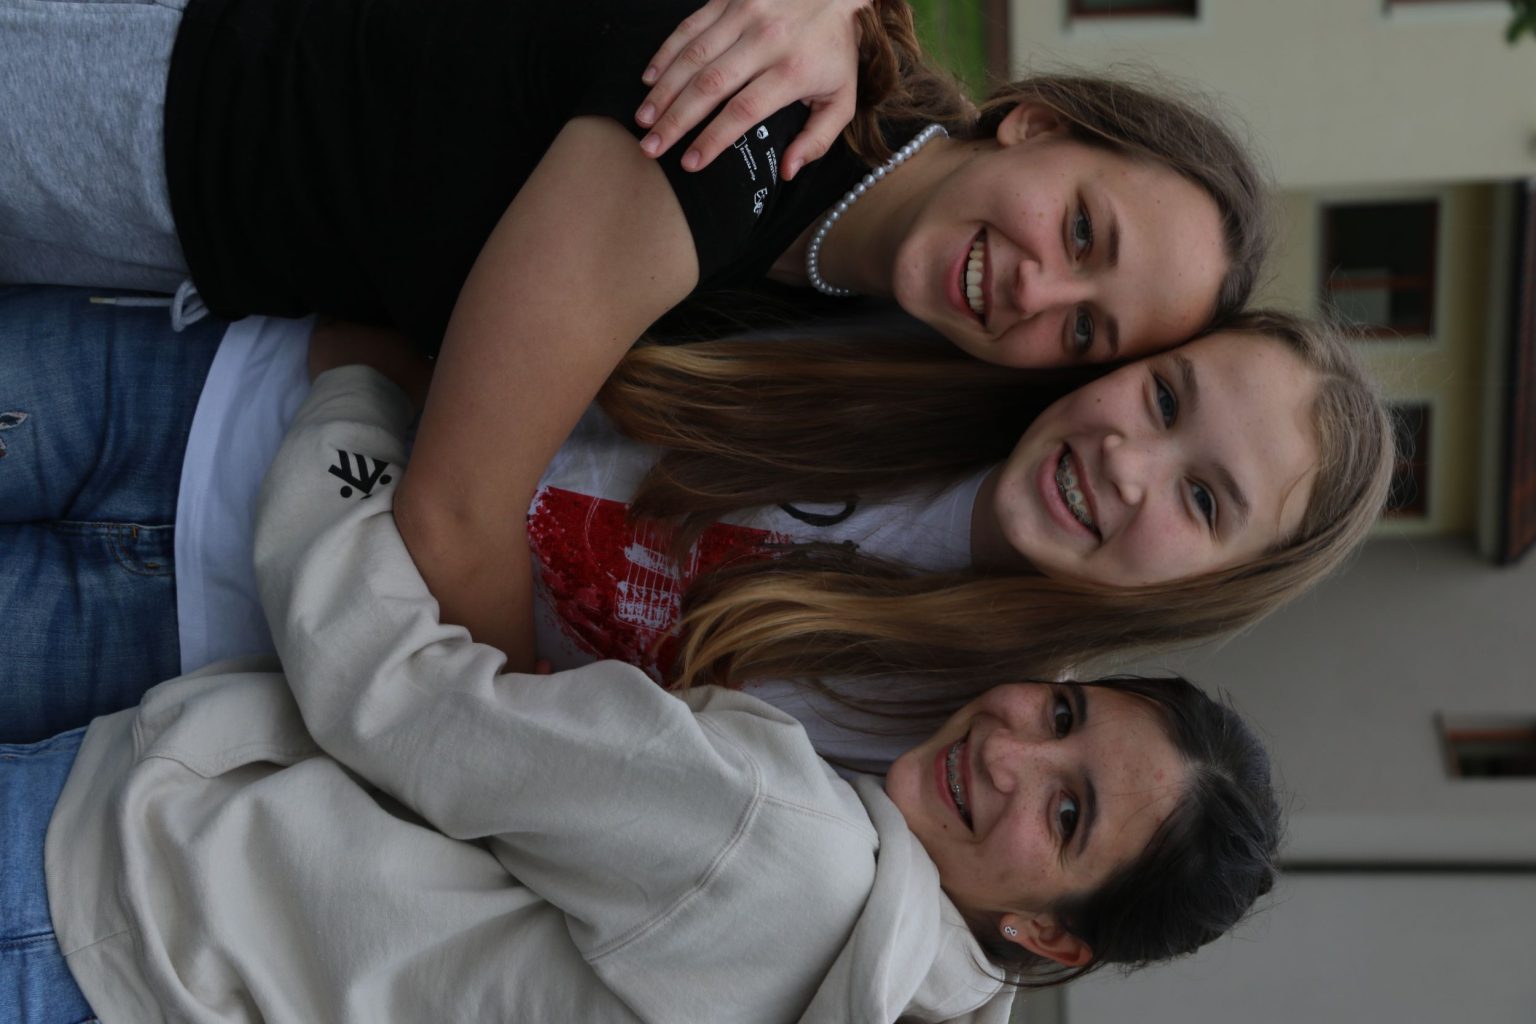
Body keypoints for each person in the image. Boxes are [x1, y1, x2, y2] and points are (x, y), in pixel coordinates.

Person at [0, 350, 1284, 1023]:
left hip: (112, 899)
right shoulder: (884, 996)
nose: (1012, 752)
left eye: (1067, 813)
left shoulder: (782, 846)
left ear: (1051, 936)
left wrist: (355, 406)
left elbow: (396, 697)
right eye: (1063, 713)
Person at [0, 0, 1273, 660]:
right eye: (1084, 229)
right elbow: (455, 515)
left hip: (174, 241)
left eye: (1088, 334)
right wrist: (513, 736)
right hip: (137, 94)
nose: (1040, 291)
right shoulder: (746, 136)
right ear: (1038, 125)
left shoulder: (838, 276)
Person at [0, 287, 1390, 763]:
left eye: (1203, 499)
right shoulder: (928, 329)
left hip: (186, 642)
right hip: (205, 399)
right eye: (1164, 396)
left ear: (1216, 586)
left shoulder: (977, 739)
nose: (1130, 462)